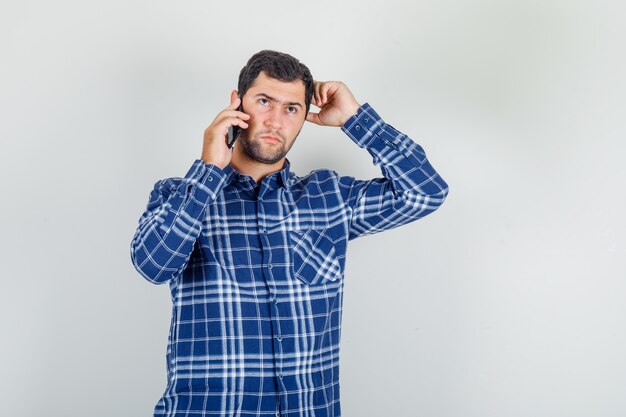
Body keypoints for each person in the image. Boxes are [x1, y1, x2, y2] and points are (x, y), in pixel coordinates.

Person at [130, 49, 449, 417]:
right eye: (264, 101)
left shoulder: (329, 198)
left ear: (303, 117)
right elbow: (152, 265)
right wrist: (207, 171)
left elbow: (425, 191)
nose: (275, 121)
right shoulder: (180, 195)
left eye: (291, 109)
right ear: (237, 103)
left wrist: (357, 120)